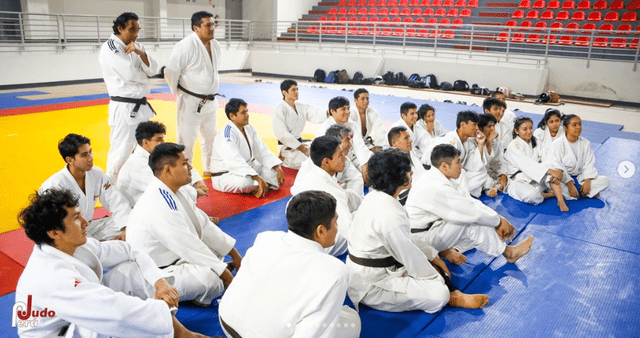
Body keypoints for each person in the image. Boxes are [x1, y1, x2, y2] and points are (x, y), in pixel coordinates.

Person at [15, 188, 210, 338]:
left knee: (133, 271)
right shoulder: (51, 277)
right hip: (59, 332)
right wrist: (162, 309)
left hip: (71, 317)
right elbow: (116, 313)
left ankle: (180, 333)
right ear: (54, 233)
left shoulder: (72, 245)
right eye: (76, 218)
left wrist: (160, 282)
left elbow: (130, 250)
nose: (86, 222)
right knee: (107, 318)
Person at [347, 148, 490, 314]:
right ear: (395, 177)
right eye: (407, 171)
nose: (411, 173)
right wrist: (441, 280)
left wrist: (433, 255)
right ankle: (452, 296)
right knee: (438, 293)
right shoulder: (388, 214)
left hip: (379, 267)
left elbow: (407, 239)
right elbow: (410, 257)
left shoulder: (377, 197)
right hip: (371, 284)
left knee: (432, 262)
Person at [218, 191, 360, 338]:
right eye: (335, 221)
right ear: (321, 231)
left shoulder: (267, 238)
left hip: (226, 320)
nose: (337, 227)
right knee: (351, 322)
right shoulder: (334, 270)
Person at [127, 143, 242, 307]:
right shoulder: (157, 203)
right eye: (184, 163)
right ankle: (195, 294)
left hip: (177, 258)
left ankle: (202, 283)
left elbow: (204, 226)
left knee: (215, 250)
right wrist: (226, 276)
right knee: (211, 280)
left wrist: (235, 255)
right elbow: (187, 244)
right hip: (159, 273)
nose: (190, 167)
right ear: (168, 170)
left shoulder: (175, 191)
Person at [406, 144, 535, 266]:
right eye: (458, 162)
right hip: (422, 239)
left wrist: (498, 218)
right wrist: (497, 221)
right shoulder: (436, 186)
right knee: (470, 223)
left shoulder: (438, 178)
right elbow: (469, 211)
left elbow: (468, 201)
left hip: (433, 229)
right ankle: (509, 253)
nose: (461, 166)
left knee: (477, 222)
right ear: (444, 166)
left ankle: (450, 251)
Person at [99, 12, 158, 181]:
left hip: (141, 107)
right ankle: (112, 191)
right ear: (120, 28)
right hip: (124, 108)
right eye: (132, 29)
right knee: (121, 152)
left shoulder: (136, 46)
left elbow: (152, 70)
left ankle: (136, 184)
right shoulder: (110, 47)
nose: (136, 34)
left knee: (144, 149)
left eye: (138, 29)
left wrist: (141, 53)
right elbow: (130, 74)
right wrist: (145, 78)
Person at [40, 134, 130, 241]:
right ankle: (97, 246)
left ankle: (100, 245)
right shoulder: (54, 186)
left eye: (90, 152)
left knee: (133, 224)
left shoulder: (96, 174)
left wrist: (127, 228)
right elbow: (57, 225)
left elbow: (116, 200)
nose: (90, 158)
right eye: (84, 155)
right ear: (69, 160)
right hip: (67, 234)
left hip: (88, 226)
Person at [164, 11, 221, 178]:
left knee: (211, 139)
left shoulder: (215, 44)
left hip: (209, 101)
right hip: (189, 101)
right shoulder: (185, 45)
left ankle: (210, 168)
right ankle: (184, 173)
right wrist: (178, 92)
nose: (212, 28)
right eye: (207, 25)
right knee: (186, 142)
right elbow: (171, 72)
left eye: (213, 24)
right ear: (196, 28)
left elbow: (213, 72)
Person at [291, 136, 362, 256]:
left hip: (305, 232)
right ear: (326, 162)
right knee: (362, 224)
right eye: (340, 156)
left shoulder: (313, 174)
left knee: (349, 194)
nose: (345, 159)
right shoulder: (328, 190)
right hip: (321, 245)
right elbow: (348, 231)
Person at [117, 121, 209, 207]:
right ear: (146, 142)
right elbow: (167, 188)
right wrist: (195, 192)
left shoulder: (155, 155)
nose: (163, 143)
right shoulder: (138, 166)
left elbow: (183, 164)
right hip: (140, 212)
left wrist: (197, 182)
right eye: (159, 139)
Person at [210, 98, 285, 198]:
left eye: (247, 111)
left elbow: (262, 151)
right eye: (243, 112)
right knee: (245, 182)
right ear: (232, 116)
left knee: (275, 174)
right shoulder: (226, 134)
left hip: (248, 167)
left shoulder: (249, 128)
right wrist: (257, 178)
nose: (247, 115)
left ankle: (258, 188)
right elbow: (234, 161)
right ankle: (258, 186)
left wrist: (277, 168)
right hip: (226, 175)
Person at [504, 117, 571, 212]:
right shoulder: (514, 145)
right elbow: (526, 164)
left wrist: (557, 170)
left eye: (531, 128)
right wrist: (551, 171)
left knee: (565, 189)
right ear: (517, 131)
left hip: (536, 178)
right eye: (525, 129)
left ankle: (560, 200)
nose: (529, 131)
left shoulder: (535, 141)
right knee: (533, 196)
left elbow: (548, 157)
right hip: (520, 180)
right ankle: (548, 194)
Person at [426, 111, 487, 198]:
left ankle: (457, 191)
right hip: (438, 172)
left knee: (482, 173)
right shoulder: (451, 140)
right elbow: (444, 167)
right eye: (474, 125)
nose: (477, 128)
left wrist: (480, 144)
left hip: (455, 173)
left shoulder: (468, 141)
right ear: (462, 125)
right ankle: (462, 196)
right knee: (462, 173)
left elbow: (475, 165)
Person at [550, 114, 610, 199]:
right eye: (574, 125)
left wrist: (587, 181)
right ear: (565, 128)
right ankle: (584, 192)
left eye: (580, 124)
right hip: (563, 180)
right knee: (552, 182)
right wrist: (569, 184)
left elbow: (589, 164)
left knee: (606, 180)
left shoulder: (585, 143)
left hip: (579, 178)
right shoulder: (557, 144)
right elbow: (557, 166)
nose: (578, 127)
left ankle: (577, 191)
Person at [272, 79, 327, 169]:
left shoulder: (301, 107)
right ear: (284, 92)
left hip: (299, 144)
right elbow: (281, 133)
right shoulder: (279, 109)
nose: (296, 92)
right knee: (310, 166)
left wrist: (329, 113)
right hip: (288, 149)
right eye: (293, 90)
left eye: (297, 89)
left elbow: (315, 114)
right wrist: (300, 147)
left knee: (323, 155)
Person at [316, 96, 372, 174]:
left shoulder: (352, 125)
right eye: (343, 109)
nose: (347, 112)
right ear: (332, 111)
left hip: (352, 157)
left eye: (348, 108)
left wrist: (364, 167)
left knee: (372, 171)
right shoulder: (324, 129)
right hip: (335, 161)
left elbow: (360, 146)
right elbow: (325, 156)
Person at [325, 124, 364, 197]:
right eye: (347, 140)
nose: (350, 144)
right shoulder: (322, 159)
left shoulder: (344, 159)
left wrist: (355, 202)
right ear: (336, 141)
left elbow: (356, 178)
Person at [477, 113, 508, 197]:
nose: (493, 129)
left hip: (490, 172)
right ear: (480, 128)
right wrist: (488, 142)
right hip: (478, 172)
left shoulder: (495, 141)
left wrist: (503, 175)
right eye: (489, 126)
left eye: (493, 126)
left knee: (507, 181)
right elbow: (480, 164)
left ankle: (493, 187)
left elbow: (499, 160)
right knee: (486, 181)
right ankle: (488, 189)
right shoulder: (475, 141)